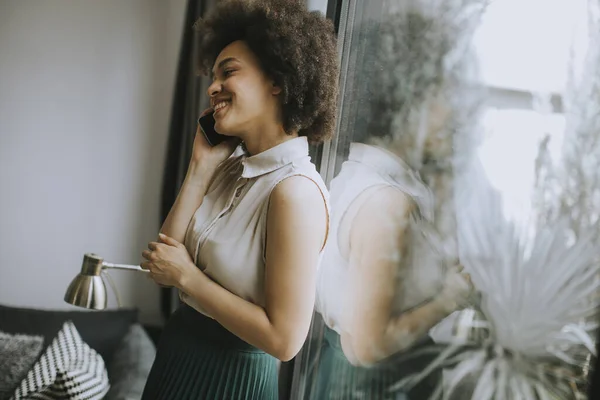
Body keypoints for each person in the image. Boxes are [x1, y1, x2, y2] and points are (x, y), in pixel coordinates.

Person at [138, 1, 338, 399]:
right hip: (177, 360)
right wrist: (199, 167)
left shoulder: (295, 193)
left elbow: (285, 340)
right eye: (213, 76)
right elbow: (163, 260)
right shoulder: (229, 166)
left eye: (228, 72)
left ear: (277, 80)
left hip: (232, 380)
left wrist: (188, 278)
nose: (213, 87)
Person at [313, 9, 478, 400]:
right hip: (382, 388)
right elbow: (367, 346)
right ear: (406, 98)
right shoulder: (387, 203)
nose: (453, 111)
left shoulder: (354, 179)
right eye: (442, 92)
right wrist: (449, 300)